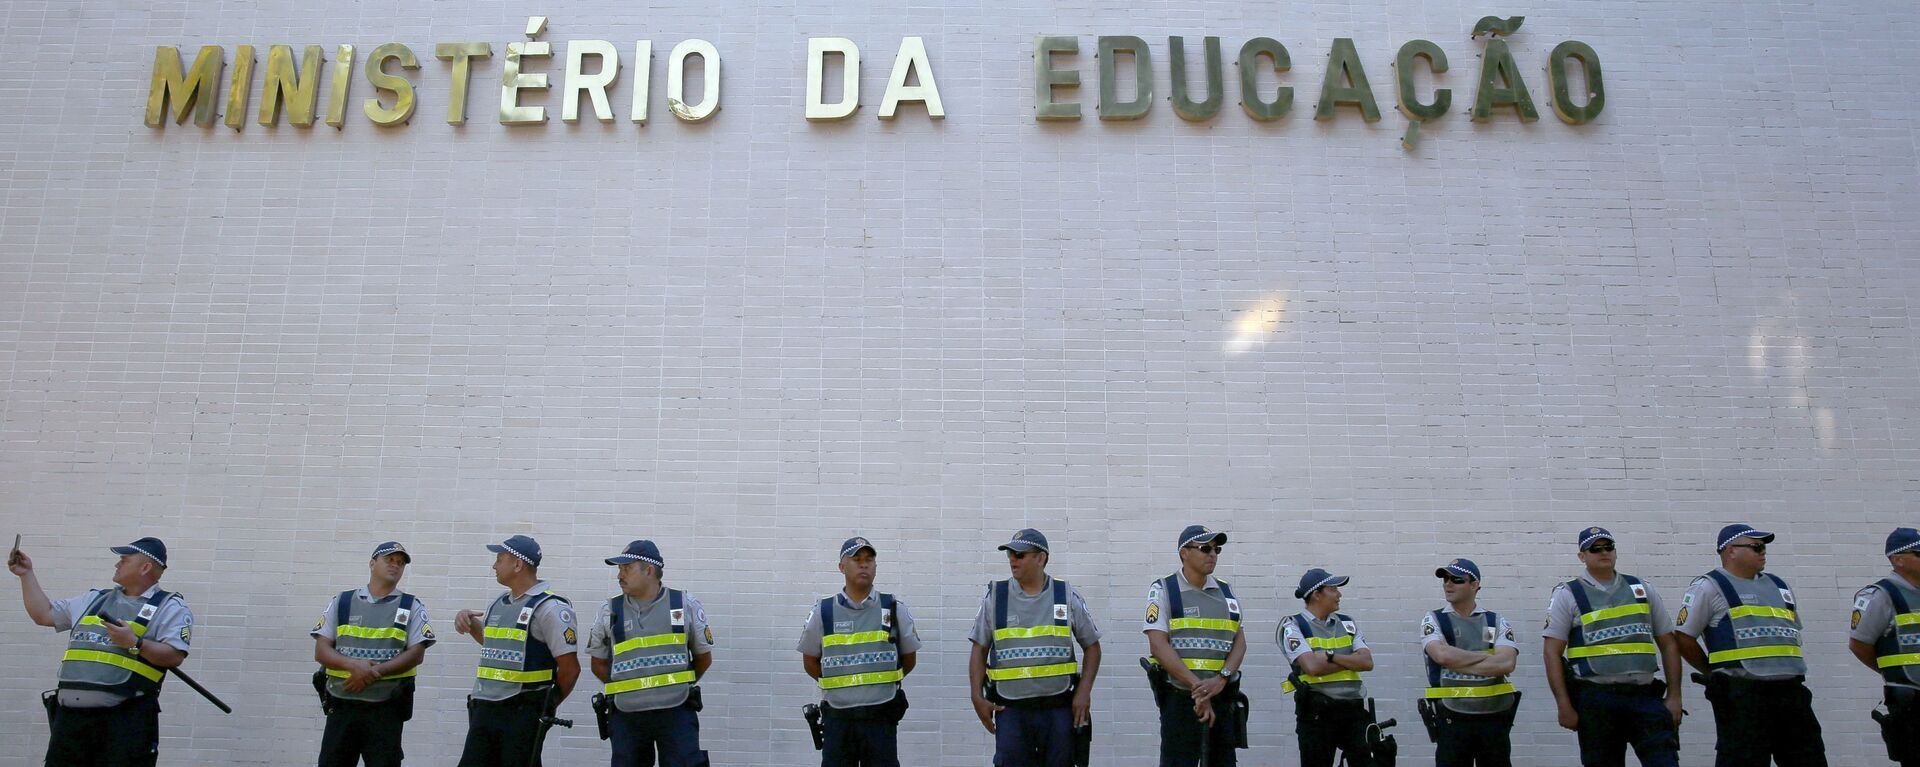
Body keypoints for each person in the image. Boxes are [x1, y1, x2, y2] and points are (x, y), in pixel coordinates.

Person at [11, 536, 194, 767]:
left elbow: (174, 655)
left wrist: (136, 643)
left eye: (124, 560)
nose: (117, 564)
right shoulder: (95, 599)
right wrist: (25, 575)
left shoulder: (169, 606)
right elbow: (44, 614)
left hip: (123, 723)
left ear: (145, 567)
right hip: (70, 723)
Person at [1672, 524, 1827, 766]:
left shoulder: (1780, 586)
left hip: (1791, 693)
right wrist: (1712, 673)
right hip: (1742, 694)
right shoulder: (1709, 586)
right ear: (1731, 550)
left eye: (1764, 547)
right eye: (1757, 547)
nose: (1763, 552)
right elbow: (1683, 637)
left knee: (1809, 758)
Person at [1541, 526, 1683, 767]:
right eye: (1595, 549)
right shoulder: (1568, 594)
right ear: (1582, 556)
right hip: (1597, 700)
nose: (1603, 552)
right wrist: (1564, 705)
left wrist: (1675, 696)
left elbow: (1669, 643)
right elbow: (1551, 653)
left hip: (1645, 696)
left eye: (1609, 547)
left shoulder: (1641, 588)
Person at [967, 528, 1102, 766]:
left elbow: (1092, 647)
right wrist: (976, 697)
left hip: (1058, 707)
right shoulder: (996, 597)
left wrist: (1084, 692)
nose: (1012, 560)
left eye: (1019, 555)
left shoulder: (1065, 595)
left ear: (1041, 558)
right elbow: (979, 649)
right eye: (1010, 554)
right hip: (1011, 710)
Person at [453, 535, 580, 767]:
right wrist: (471, 626)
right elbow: (500, 645)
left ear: (518, 564)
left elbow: (570, 669)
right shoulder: (499, 603)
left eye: (500, 558)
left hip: (522, 713)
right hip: (485, 710)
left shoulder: (551, 609)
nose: (494, 565)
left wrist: (546, 707)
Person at [585, 540, 714, 767]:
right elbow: (598, 663)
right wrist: (629, 688)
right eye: (619, 569)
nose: (619, 575)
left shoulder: (684, 605)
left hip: (676, 711)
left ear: (649, 570)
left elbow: (703, 658)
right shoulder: (609, 611)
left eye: (627, 568)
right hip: (627, 715)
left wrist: (674, 686)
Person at [798, 536, 921, 767]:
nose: (864, 564)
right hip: (837, 719)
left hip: (881, 718)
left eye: (869, 559)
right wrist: (842, 687)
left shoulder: (893, 607)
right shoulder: (823, 611)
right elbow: (810, 661)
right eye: (856, 559)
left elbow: (909, 659)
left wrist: (876, 687)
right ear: (842, 567)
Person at [313, 541, 434, 767]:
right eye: (389, 559)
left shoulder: (411, 606)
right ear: (372, 563)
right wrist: (353, 665)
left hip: (386, 709)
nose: (395, 565)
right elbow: (321, 650)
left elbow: (417, 653)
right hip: (341, 705)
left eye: (400, 563)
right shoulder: (342, 601)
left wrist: (372, 672)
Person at [1143, 525, 1247, 767]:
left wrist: (1221, 678)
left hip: (1221, 698)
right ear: (1184, 553)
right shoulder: (1164, 589)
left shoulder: (1226, 592)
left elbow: (1239, 642)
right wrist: (1198, 688)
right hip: (1181, 701)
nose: (1212, 554)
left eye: (1216, 549)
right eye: (1205, 548)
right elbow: (1158, 645)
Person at [1419, 558, 1519, 767]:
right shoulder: (1435, 619)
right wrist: (1486, 656)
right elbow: (1442, 656)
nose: (1448, 584)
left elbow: (1506, 663)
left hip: (1494, 718)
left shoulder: (1494, 621)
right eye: (1445, 579)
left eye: (1456, 579)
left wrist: (1458, 658)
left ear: (1474, 585)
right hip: (1451, 718)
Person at [1282, 567, 1377, 767]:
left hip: (1354, 712)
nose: (1339, 594)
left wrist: (1330, 656)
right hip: (1317, 715)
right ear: (1317, 594)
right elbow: (1312, 667)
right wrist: (1350, 659)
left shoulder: (1348, 624)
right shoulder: (1293, 626)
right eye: (1333, 589)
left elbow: (1367, 662)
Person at [1849, 527, 1920, 766]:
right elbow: (1860, 644)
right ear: (1898, 559)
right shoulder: (1881, 595)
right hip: (1909, 698)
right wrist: (1891, 671)